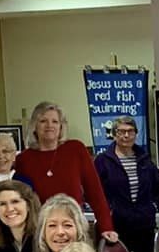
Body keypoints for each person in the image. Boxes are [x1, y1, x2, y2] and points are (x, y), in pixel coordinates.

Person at [13, 101, 118, 242]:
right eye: (43, 121)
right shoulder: (23, 159)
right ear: (34, 126)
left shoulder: (76, 149)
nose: (49, 125)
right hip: (40, 232)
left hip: (75, 228)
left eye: (55, 121)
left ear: (61, 127)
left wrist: (107, 227)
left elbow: (96, 193)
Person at [93, 114, 159, 252]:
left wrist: (154, 206)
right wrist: (108, 211)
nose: (126, 135)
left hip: (144, 224)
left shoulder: (144, 159)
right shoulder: (103, 161)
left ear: (136, 134)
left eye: (130, 131)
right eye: (121, 131)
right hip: (117, 225)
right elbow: (94, 192)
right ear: (114, 135)